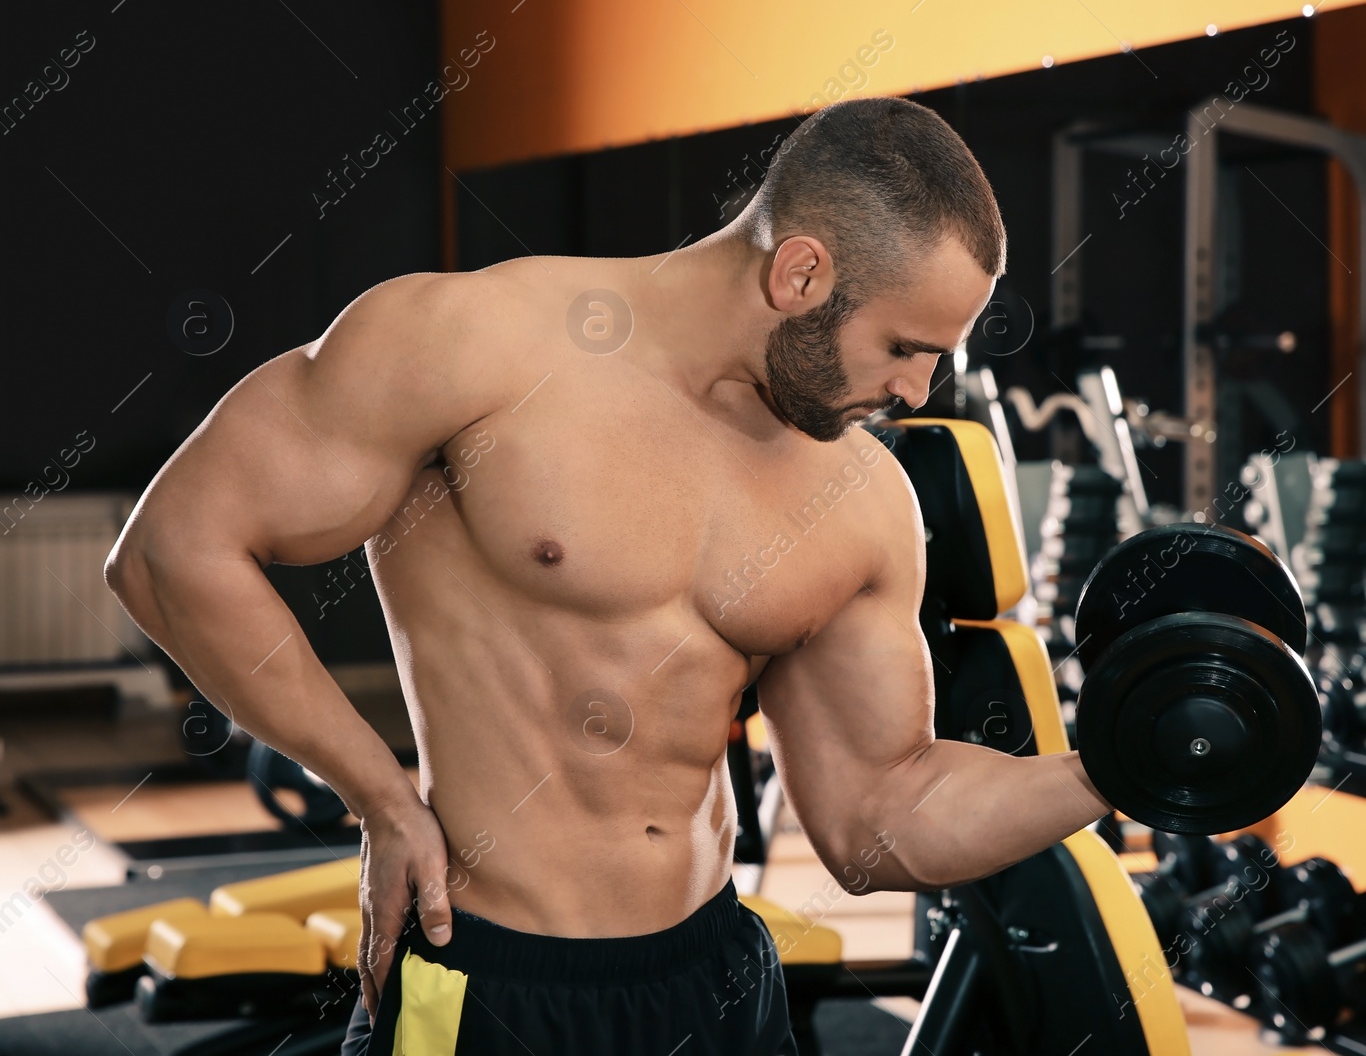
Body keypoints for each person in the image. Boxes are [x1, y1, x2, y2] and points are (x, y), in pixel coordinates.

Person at [105, 96, 1112, 1055]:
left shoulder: (860, 497)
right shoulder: (479, 345)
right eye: (904, 346)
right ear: (800, 274)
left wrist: (1110, 768)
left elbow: (877, 818)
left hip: (713, 976)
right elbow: (171, 552)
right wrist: (382, 799)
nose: (916, 389)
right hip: (492, 975)